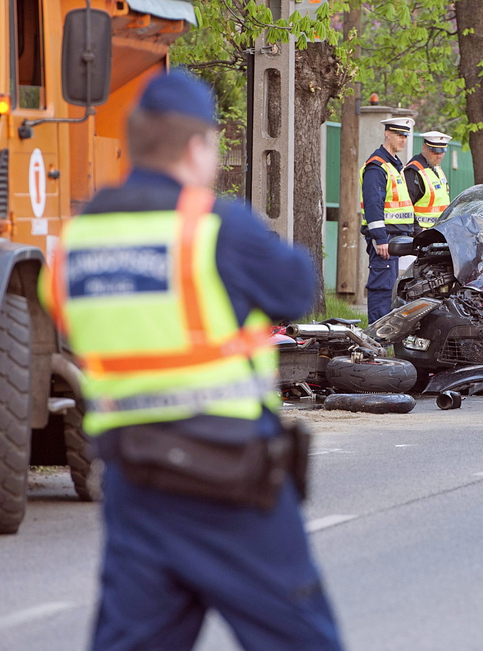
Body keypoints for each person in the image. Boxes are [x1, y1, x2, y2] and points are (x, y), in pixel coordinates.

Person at [39, 70, 344, 650]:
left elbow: (62, 316)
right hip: (225, 477)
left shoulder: (77, 240)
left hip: (133, 481)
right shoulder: (211, 228)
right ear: (198, 146)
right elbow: (295, 286)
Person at [361, 116, 416, 322]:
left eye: (405, 136)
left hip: (398, 238)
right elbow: (373, 205)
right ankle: (376, 338)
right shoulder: (377, 166)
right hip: (387, 239)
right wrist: (380, 238)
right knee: (382, 289)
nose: (403, 140)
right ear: (387, 133)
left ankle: (389, 337)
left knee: (396, 290)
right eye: (399, 135)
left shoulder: (394, 165)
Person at [403, 130, 452, 232]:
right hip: (422, 233)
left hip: (439, 230)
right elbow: (406, 205)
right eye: (434, 152)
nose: (439, 156)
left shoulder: (436, 168)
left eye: (442, 152)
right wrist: (418, 229)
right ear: (424, 147)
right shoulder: (414, 171)